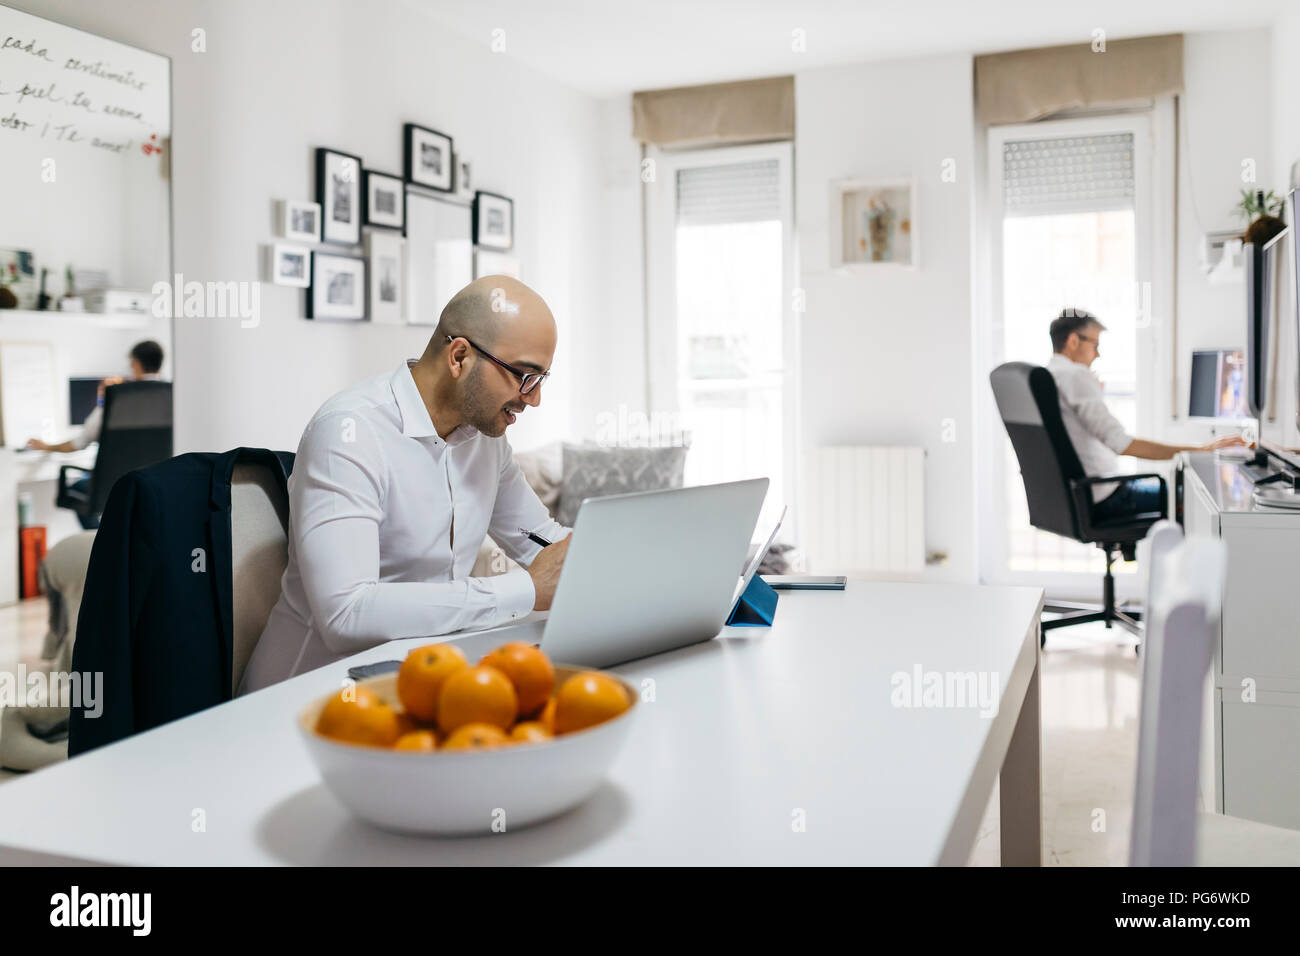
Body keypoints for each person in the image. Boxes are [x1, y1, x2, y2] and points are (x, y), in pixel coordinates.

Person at [238, 276, 571, 694]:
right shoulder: (350, 432)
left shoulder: (485, 443)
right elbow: (346, 613)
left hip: (417, 684)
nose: (533, 398)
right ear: (460, 357)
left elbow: (544, 546)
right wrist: (524, 589)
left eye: (541, 380)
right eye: (525, 375)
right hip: (304, 701)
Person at [1047, 309, 1245, 521]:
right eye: (1095, 345)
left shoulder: (1053, 375)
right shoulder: (1076, 377)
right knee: (1187, 497)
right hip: (1108, 496)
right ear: (1073, 341)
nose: (1098, 354)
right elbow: (1122, 444)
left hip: (1086, 494)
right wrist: (1200, 450)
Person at [26, 339, 167, 529]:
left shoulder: (119, 398)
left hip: (116, 485)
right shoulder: (172, 396)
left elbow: (78, 444)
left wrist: (46, 446)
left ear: (136, 363)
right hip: (156, 485)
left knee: (78, 486)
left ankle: (100, 542)